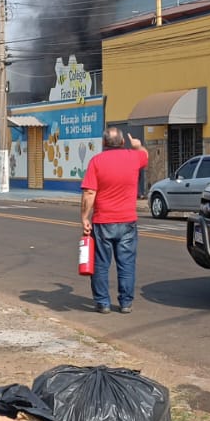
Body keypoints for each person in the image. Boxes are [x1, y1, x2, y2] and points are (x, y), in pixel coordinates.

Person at [80, 126, 149, 314]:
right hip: (127, 221)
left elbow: (89, 192)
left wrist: (85, 217)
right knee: (126, 263)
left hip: (103, 221)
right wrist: (138, 145)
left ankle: (103, 303)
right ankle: (126, 302)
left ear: (103, 143)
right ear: (122, 142)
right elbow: (145, 155)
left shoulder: (96, 161)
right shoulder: (134, 157)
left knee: (101, 264)